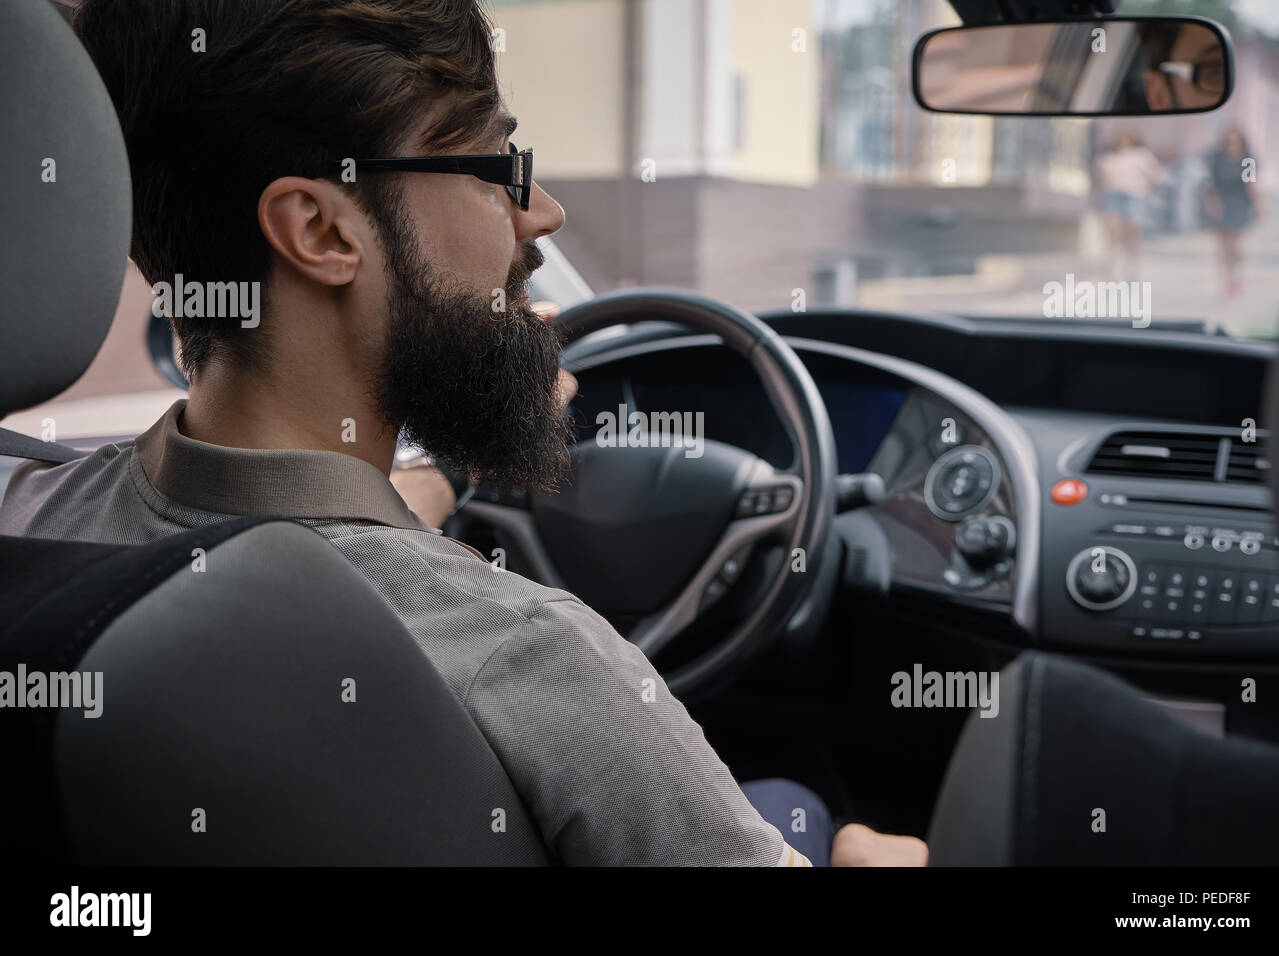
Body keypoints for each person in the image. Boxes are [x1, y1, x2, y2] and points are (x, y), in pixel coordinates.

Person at [0, 0, 926, 867]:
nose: (542, 214)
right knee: (808, 810)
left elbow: (295, 521)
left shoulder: (26, 519)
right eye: (496, 168)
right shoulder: (526, 653)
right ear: (320, 229)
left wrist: (444, 476)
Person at [1093, 130, 1163, 279]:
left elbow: (1155, 174)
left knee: (1132, 232)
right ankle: (1111, 269)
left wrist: (1147, 189)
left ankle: (1132, 268)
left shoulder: (1141, 155)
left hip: (1134, 195)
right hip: (1112, 195)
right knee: (1113, 233)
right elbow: (1099, 179)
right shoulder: (1108, 157)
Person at [1203, 127, 1263, 298]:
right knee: (1222, 247)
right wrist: (1212, 205)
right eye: (1229, 141)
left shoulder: (1247, 160)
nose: (1232, 144)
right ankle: (1225, 281)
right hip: (1220, 203)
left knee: (1236, 246)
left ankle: (1237, 279)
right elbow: (1210, 185)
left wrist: (1259, 206)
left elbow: (1251, 185)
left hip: (1240, 204)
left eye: (1236, 141)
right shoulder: (1216, 159)